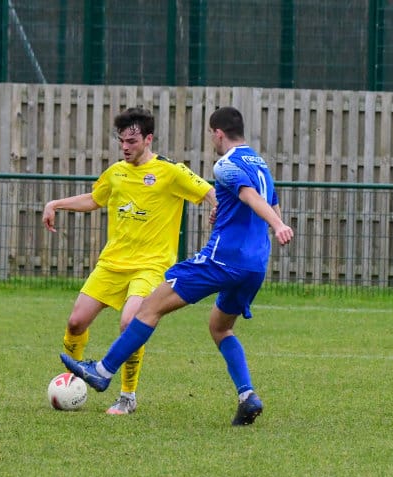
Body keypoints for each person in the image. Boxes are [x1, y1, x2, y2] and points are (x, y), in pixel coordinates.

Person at [61, 106, 295, 426]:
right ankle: (247, 395)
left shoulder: (226, 164)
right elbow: (270, 201)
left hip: (222, 258)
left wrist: (278, 225)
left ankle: (103, 372)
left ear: (217, 133)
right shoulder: (260, 163)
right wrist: (271, 224)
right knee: (220, 327)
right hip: (255, 265)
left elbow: (249, 196)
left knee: (147, 310)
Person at [42, 107, 215, 415]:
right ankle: (72, 381)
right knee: (76, 322)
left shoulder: (171, 171)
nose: (125, 147)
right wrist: (56, 203)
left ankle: (127, 396)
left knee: (130, 323)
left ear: (148, 139)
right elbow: (94, 199)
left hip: (151, 265)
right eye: (121, 140)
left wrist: (216, 208)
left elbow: (208, 192)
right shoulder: (116, 172)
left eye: (131, 141)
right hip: (112, 263)